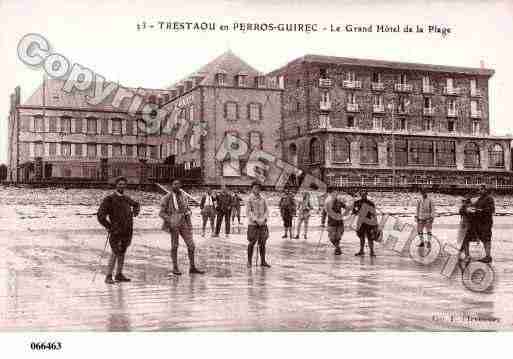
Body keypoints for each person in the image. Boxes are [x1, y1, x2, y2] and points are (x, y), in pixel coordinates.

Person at [97, 177, 140, 284]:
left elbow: (136, 204)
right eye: (119, 184)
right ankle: (108, 276)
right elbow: (100, 216)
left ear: (125, 186)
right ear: (116, 185)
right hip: (116, 231)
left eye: (123, 184)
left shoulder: (126, 198)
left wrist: (136, 210)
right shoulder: (109, 199)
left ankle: (119, 274)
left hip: (127, 230)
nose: (121, 186)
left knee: (123, 252)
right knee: (115, 253)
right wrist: (109, 227)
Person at [159, 180, 205, 275]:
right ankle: (175, 268)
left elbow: (187, 209)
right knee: (175, 246)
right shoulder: (167, 197)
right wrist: (170, 220)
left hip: (184, 222)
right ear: (172, 185)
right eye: (174, 184)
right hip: (174, 222)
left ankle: (192, 267)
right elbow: (161, 213)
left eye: (178, 184)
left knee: (191, 245)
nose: (176, 186)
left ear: (180, 185)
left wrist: (189, 217)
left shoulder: (184, 196)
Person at [246, 181, 271, 267]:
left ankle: (263, 261)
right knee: (252, 242)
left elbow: (267, 210)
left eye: (258, 188)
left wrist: (264, 219)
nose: (257, 189)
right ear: (252, 188)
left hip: (263, 224)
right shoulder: (249, 199)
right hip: (253, 224)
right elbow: (249, 212)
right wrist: (256, 220)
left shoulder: (263, 198)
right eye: (255, 187)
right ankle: (249, 262)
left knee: (263, 242)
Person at [472, 185, 495, 263]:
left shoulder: (489, 198)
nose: (479, 191)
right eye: (479, 189)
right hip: (480, 222)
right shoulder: (480, 199)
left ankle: (488, 256)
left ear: (485, 190)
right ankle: (487, 256)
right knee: (484, 239)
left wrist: (479, 210)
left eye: (481, 189)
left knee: (486, 239)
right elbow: (475, 206)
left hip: (486, 222)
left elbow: (491, 210)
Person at [352, 190, 378, 257]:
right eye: (362, 194)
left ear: (366, 194)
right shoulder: (356, 202)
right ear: (360, 195)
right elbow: (354, 211)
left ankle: (372, 251)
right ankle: (361, 251)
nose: (363, 195)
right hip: (361, 222)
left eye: (365, 194)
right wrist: (357, 211)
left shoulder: (371, 203)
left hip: (369, 222)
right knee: (361, 237)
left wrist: (375, 224)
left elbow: (374, 214)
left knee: (370, 238)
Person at [325, 189, 346, 255]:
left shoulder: (339, 201)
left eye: (336, 194)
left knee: (338, 238)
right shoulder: (328, 202)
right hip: (331, 222)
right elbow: (325, 211)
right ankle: (338, 248)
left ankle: (337, 249)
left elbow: (346, 207)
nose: (335, 195)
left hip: (339, 222)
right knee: (331, 238)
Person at [457, 194, 476, 261]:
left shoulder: (468, 207)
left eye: (464, 201)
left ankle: (467, 256)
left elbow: (464, 213)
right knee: (464, 240)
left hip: (466, 226)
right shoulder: (467, 207)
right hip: (465, 225)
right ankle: (460, 254)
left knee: (465, 240)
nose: (463, 202)